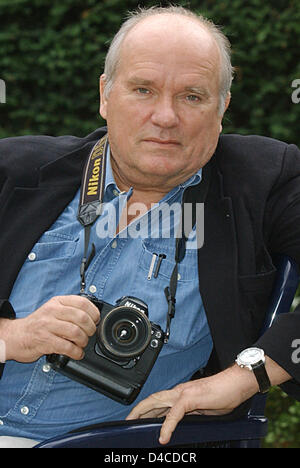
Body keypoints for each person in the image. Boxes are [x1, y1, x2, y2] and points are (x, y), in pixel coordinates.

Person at [0, 6, 299, 448]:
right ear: (105, 95)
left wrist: (246, 375)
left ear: (223, 108)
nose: (165, 117)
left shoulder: (265, 181)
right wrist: (11, 336)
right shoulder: (13, 171)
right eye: (143, 89)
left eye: (192, 96)